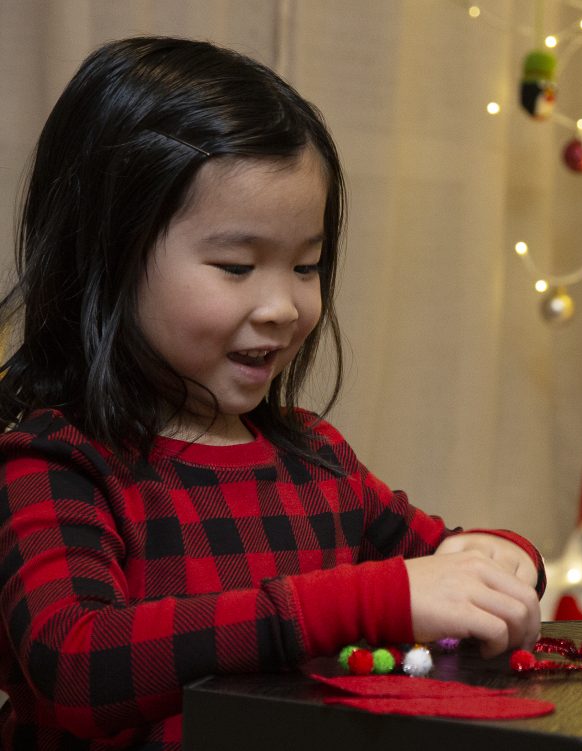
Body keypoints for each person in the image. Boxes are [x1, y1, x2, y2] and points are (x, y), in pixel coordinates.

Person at [0, 36, 545, 751]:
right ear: (106, 255)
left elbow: (437, 554)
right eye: (236, 265)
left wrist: (500, 558)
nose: (283, 306)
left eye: (306, 265)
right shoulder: (54, 461)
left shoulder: (317, 457)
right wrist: (356, 602)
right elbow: (73, 660)